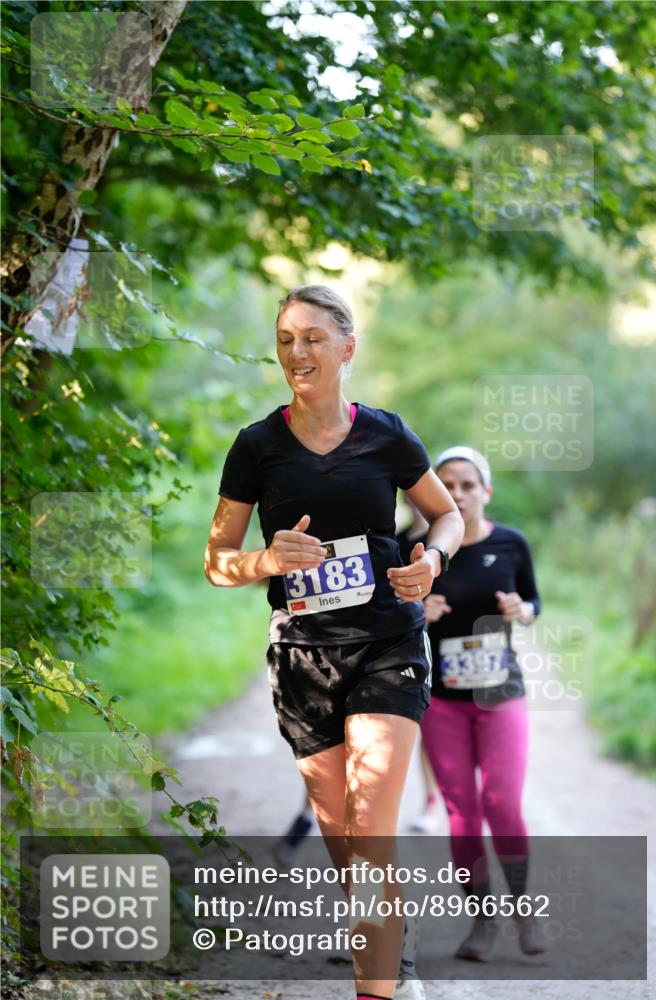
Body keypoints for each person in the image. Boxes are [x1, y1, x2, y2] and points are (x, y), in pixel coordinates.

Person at [205, 285, 464, 1000]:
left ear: (347, 347)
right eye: (287, 338)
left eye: (313, 337)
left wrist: (431, 561)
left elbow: (444, 518)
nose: (297, 351)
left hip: (386, 641)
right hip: (301, 658)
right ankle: (392, 951)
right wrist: (267, 561)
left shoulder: (387, 434)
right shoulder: (256, 446)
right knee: (346, 848)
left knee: (370, 824)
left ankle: (375, 987)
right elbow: (216, 559)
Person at [419, 446, 548, 962]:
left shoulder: (512, 543)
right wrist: (416, 610)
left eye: (467, 484)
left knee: (502, 804)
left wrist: (523, 609)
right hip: (442, 702)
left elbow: (534, 601)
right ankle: (482, 919)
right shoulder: (418, 547)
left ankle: (524, 907)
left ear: (485, 492)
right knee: (462, 814)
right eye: (446, 483)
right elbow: (389, 613)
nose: (457, 492)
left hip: (500, 694)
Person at [396, 498, 442, 835]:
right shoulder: (396, 539)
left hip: (446, 643)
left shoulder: (447, 540)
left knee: (434, 732)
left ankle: (432, 802)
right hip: (407, 644)